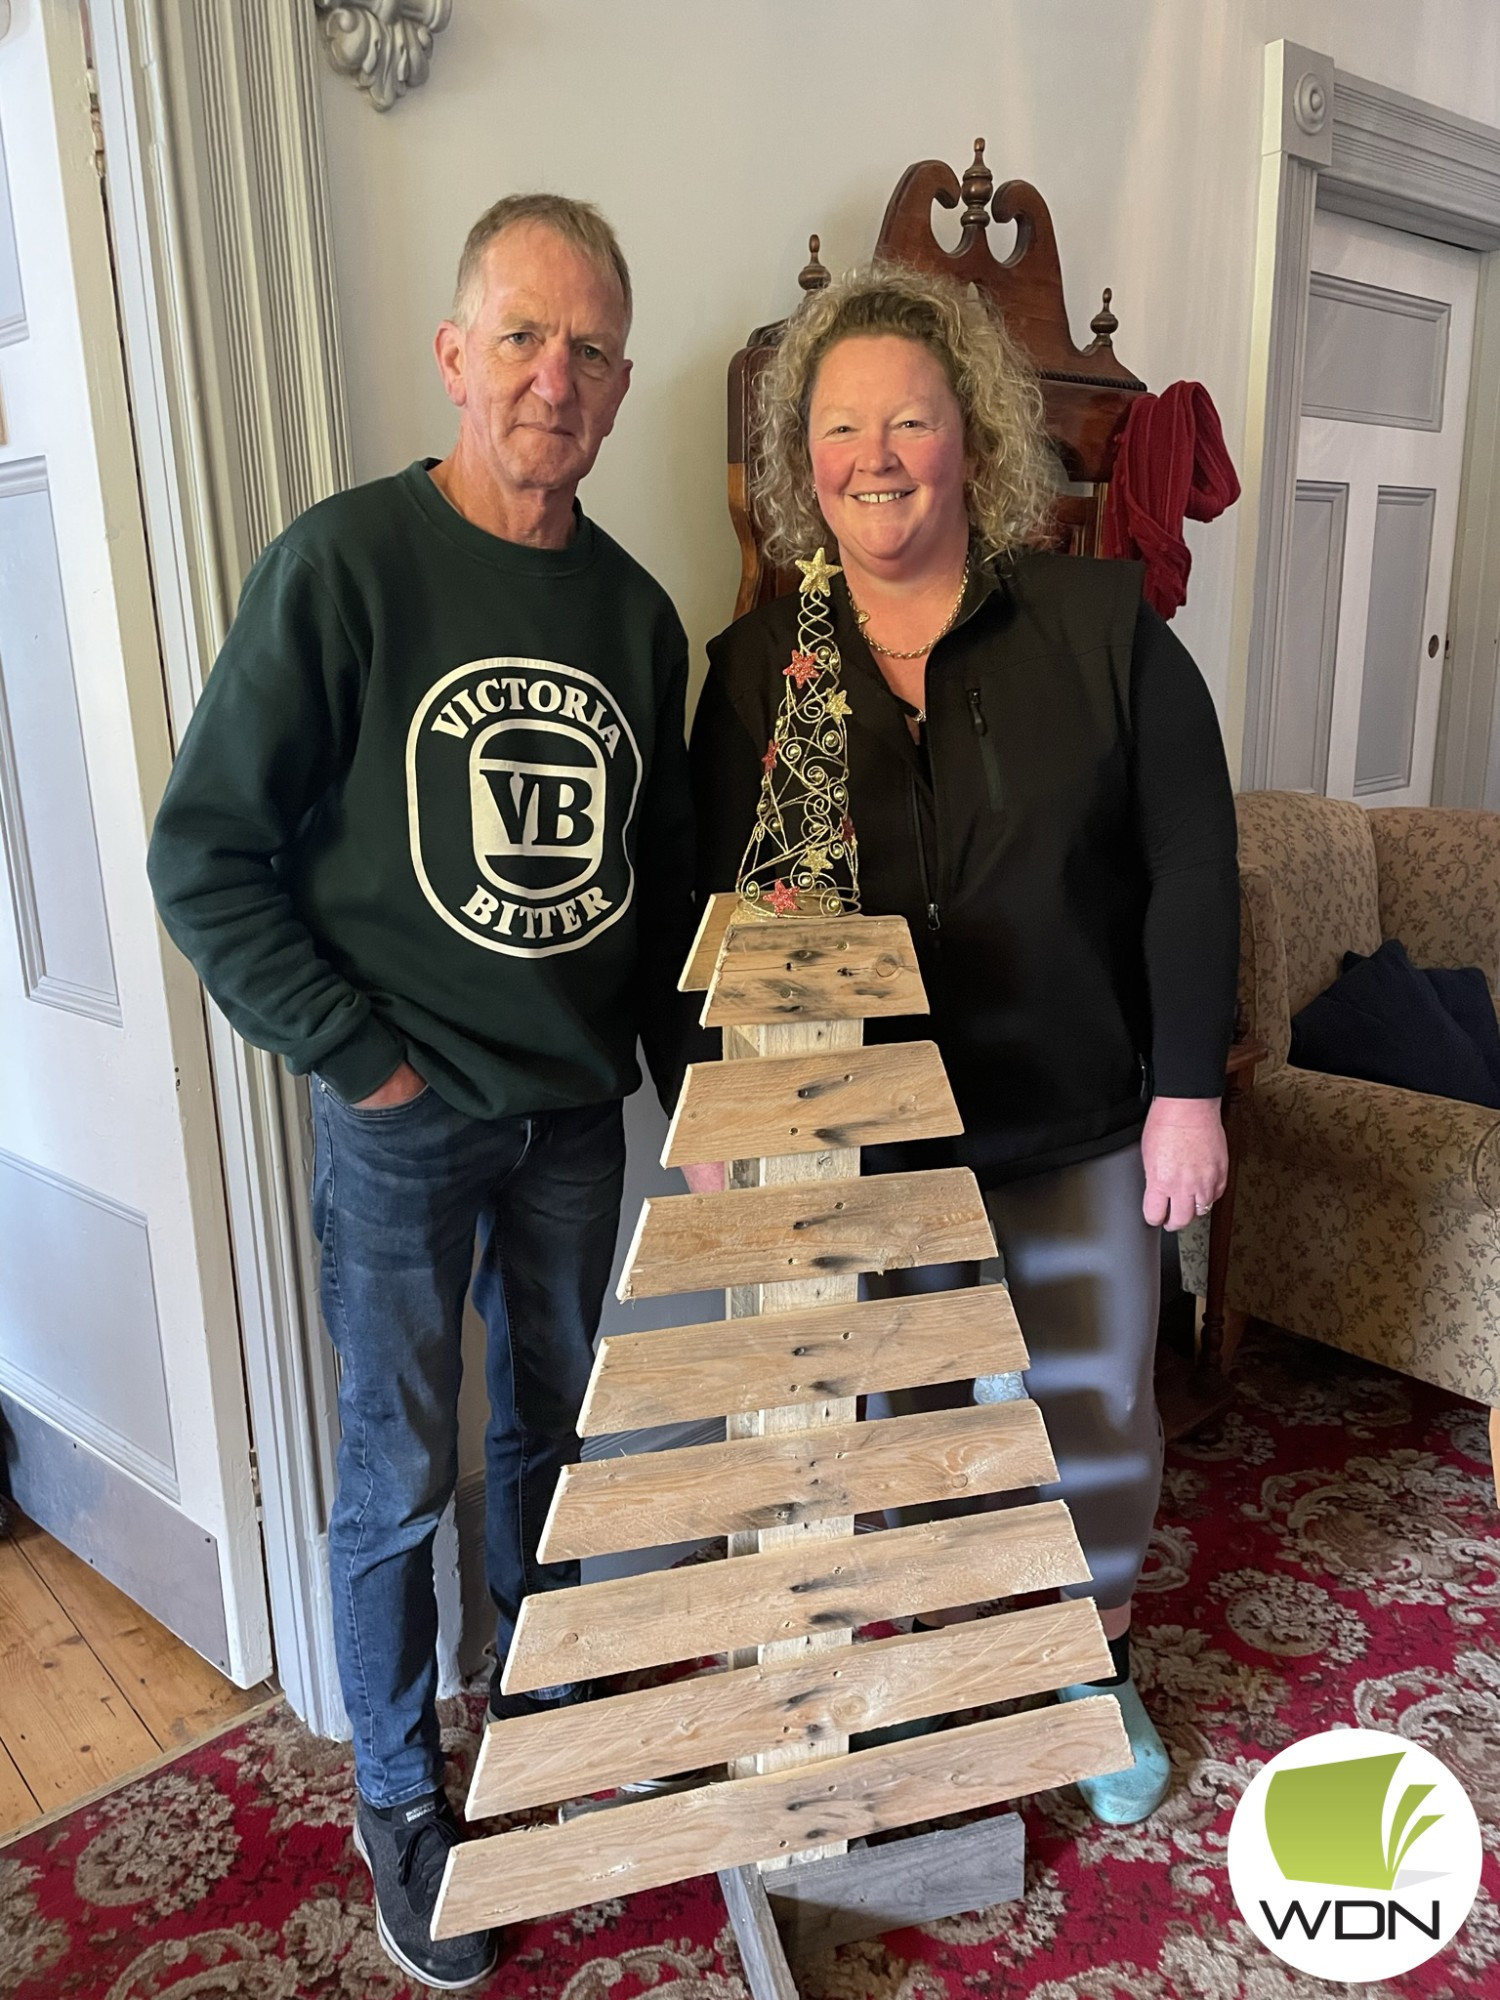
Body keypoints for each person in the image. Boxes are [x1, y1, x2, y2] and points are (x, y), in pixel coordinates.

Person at [148, 195, 693, 1988]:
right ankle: (399, 1788)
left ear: (620, 389)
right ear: (455, 357)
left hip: (569, 1119)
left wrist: (682, 1073)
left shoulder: (638, 617)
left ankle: (530, 1725)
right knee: (393, 1478)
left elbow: (651, 879)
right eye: (524, 336)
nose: (557, 375)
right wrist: (363, 1059)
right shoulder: (346, 565)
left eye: (592, 346)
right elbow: (207, 857)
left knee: (548, 1440)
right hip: (400, 1120)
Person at [686, 262, 1238, 1827]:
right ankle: (938, 1663)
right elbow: (716, 903)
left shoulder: (1097, 629)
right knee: (906, 1424)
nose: (877, 455)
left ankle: (1087, 1666)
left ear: (970, 441)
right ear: (806, 459)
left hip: (1078, 1117)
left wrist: (1189, 1091)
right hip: (869, 1139)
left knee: (1091, 1411)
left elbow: (1195, 863)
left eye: (910, 420)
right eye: (844, 426)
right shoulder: (761, 671)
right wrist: (718, 1097)